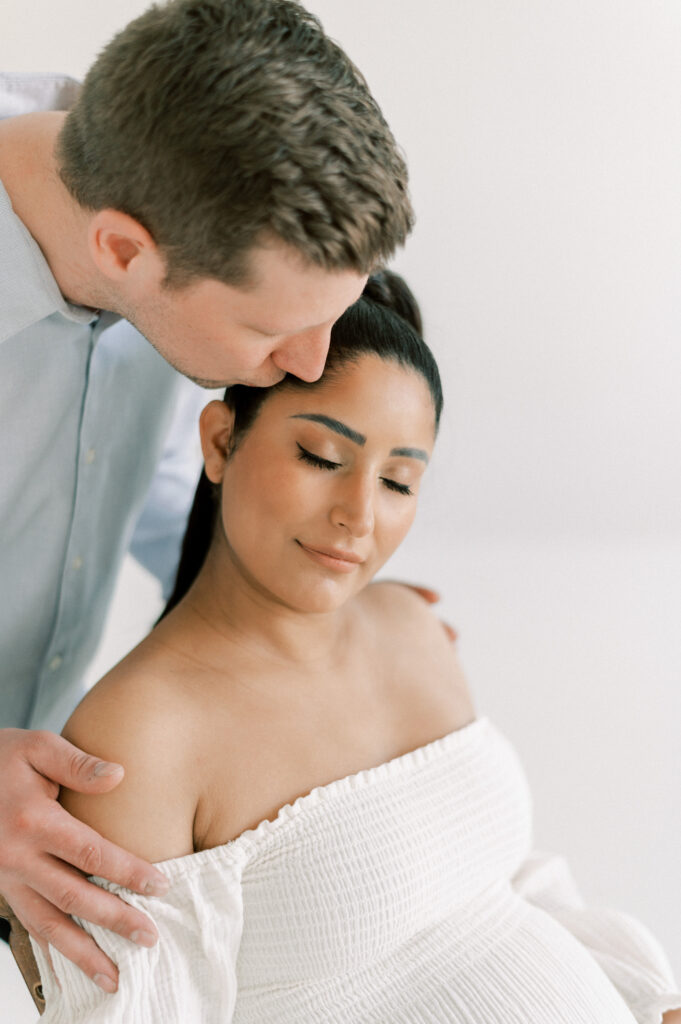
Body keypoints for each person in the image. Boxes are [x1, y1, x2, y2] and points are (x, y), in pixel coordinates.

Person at [30, 273, 681, 1021]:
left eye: (399, 481)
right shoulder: (140, 740)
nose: (357, 515)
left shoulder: (410, 631)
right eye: (321, 457)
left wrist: (645, 998)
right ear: (218, 441)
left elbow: (509, 886)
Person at [0, 0, 414, 990]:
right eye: (275, 334)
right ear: (122, 250)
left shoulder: (165, 215)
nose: (308, 361)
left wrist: (308, 596)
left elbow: (145, 484)